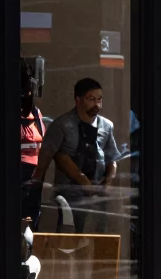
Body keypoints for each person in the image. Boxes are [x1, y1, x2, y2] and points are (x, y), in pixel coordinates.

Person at [33, 77, 119, 232]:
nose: (96, 104)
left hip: (98, 193)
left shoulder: (106, 126)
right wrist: (36, 189)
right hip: (70, 193)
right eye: (91, 99)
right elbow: (47, 159)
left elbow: (112, 158)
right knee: (70, 234)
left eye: (99, 99)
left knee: (99, 235)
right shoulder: (62, 125)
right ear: (78, 100)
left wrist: (108, 182)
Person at [20, 57, 46, 227]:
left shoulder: (36, 113)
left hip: (34, 178)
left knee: (32, 221)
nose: (29, 92)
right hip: (17, 177)